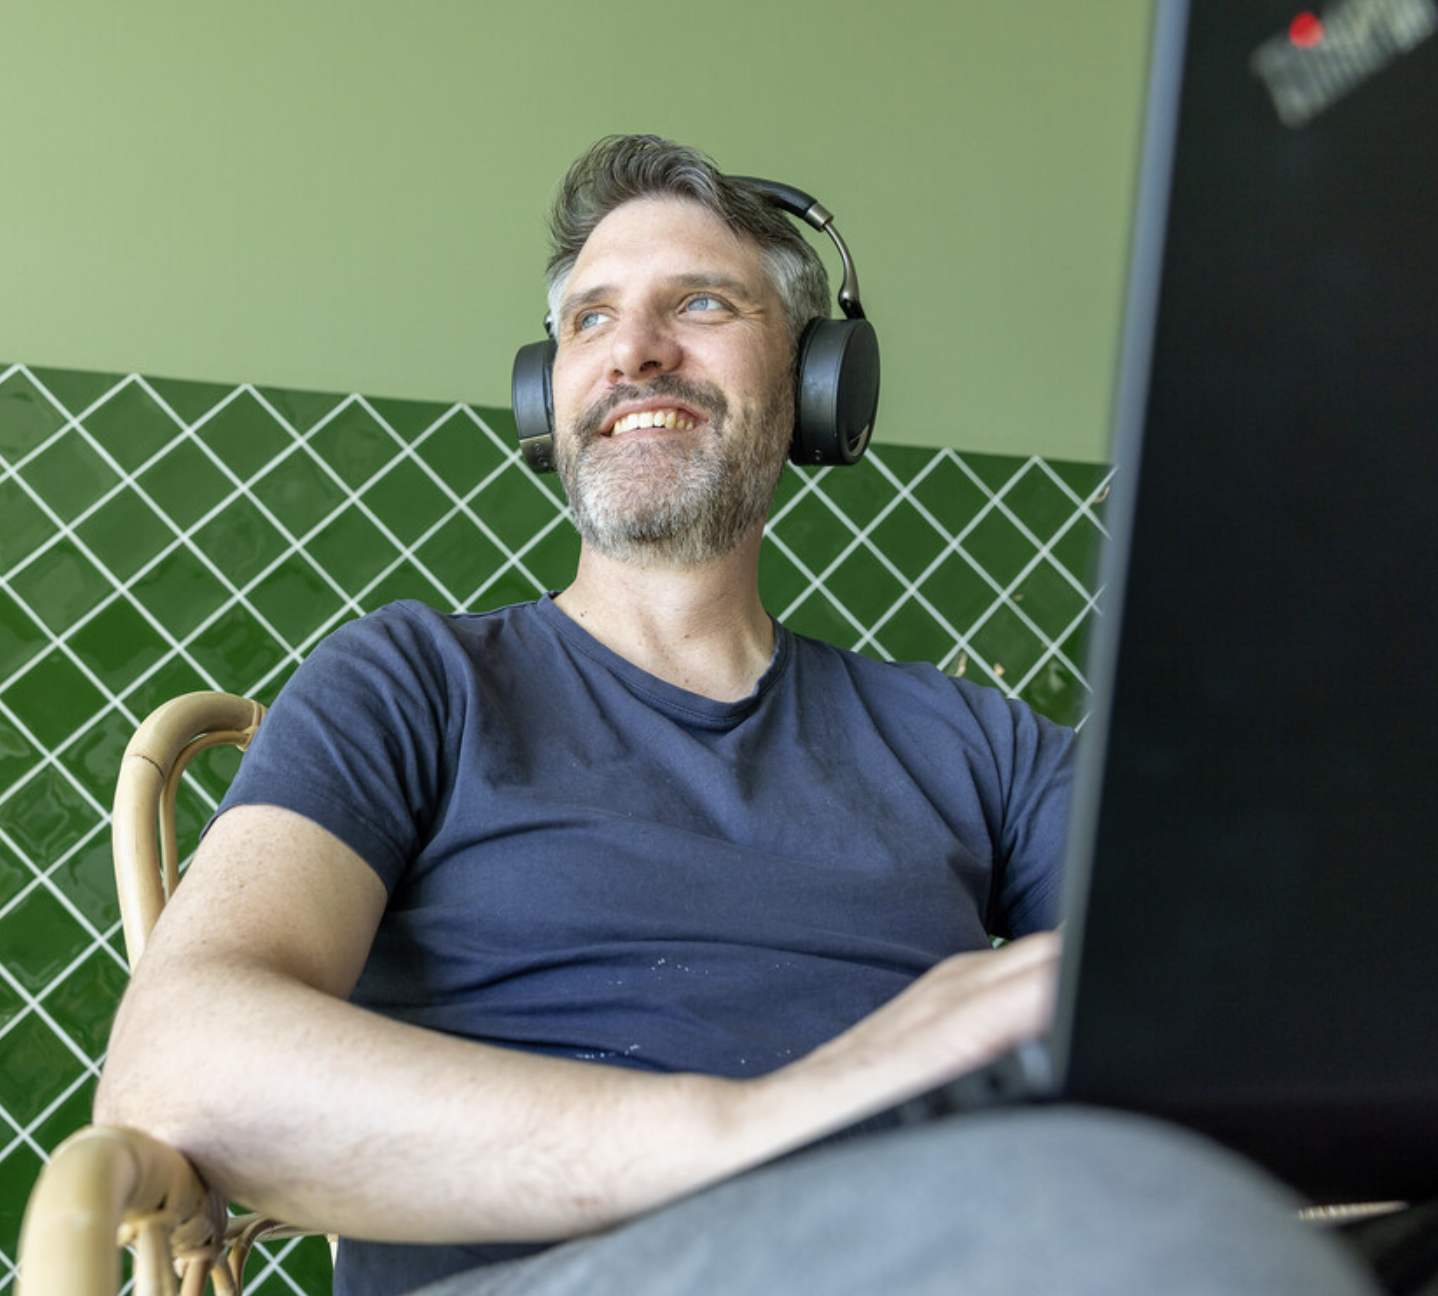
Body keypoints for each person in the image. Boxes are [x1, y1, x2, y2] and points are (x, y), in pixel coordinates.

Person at [94, 135, 1380, 1296]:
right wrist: (746, 1129)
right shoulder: (411, 680)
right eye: (591, 318)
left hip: (958, 1239)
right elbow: (178, 1071)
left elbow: (1262, 981)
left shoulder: (970, 743)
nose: (634, 351)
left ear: (817, 382)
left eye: (700, 304)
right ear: (550, 395)